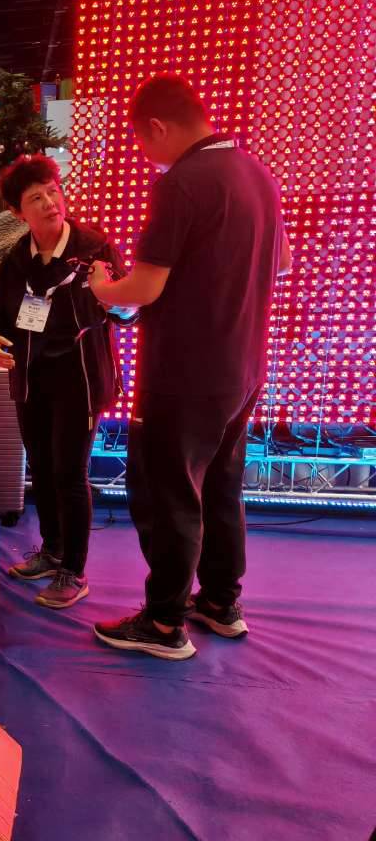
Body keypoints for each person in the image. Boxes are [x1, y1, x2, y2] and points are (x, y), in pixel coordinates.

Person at [87, 74, 291, 660]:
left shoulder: (182, 183)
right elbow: (281, 263)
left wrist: (103, 286)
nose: (145, 155)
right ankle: (221, 602)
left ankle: (162, 623)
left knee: (167, 492)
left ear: (157, 126)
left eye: (142, 142)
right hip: (242, 365)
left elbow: (144, 288)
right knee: (222, 484)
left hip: (185, 371)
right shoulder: (256, 172)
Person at [0, 154, 130, 609]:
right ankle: (51, 551)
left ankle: (74, 569)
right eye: (36, 198)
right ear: (18, 212)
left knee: (69, 472)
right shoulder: (16, 257)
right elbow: (1, 316)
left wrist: (113, 298)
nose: (50, 202)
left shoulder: (94, 248)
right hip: (31, 379)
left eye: (53, 192)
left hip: (79, 379)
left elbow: (130, 311)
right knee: (42, 469)